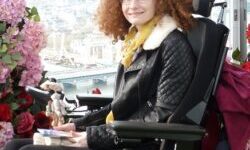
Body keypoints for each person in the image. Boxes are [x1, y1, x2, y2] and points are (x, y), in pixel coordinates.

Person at [4, 0, 196, 149]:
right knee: (13, 146)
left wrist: (93, 137)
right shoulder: (137, 42)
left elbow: (162, 115)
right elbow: (119, 106)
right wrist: (77, 125)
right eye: (126, 0)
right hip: (121, 134)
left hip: (136, 141)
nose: (132, 6)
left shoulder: (173, 45)